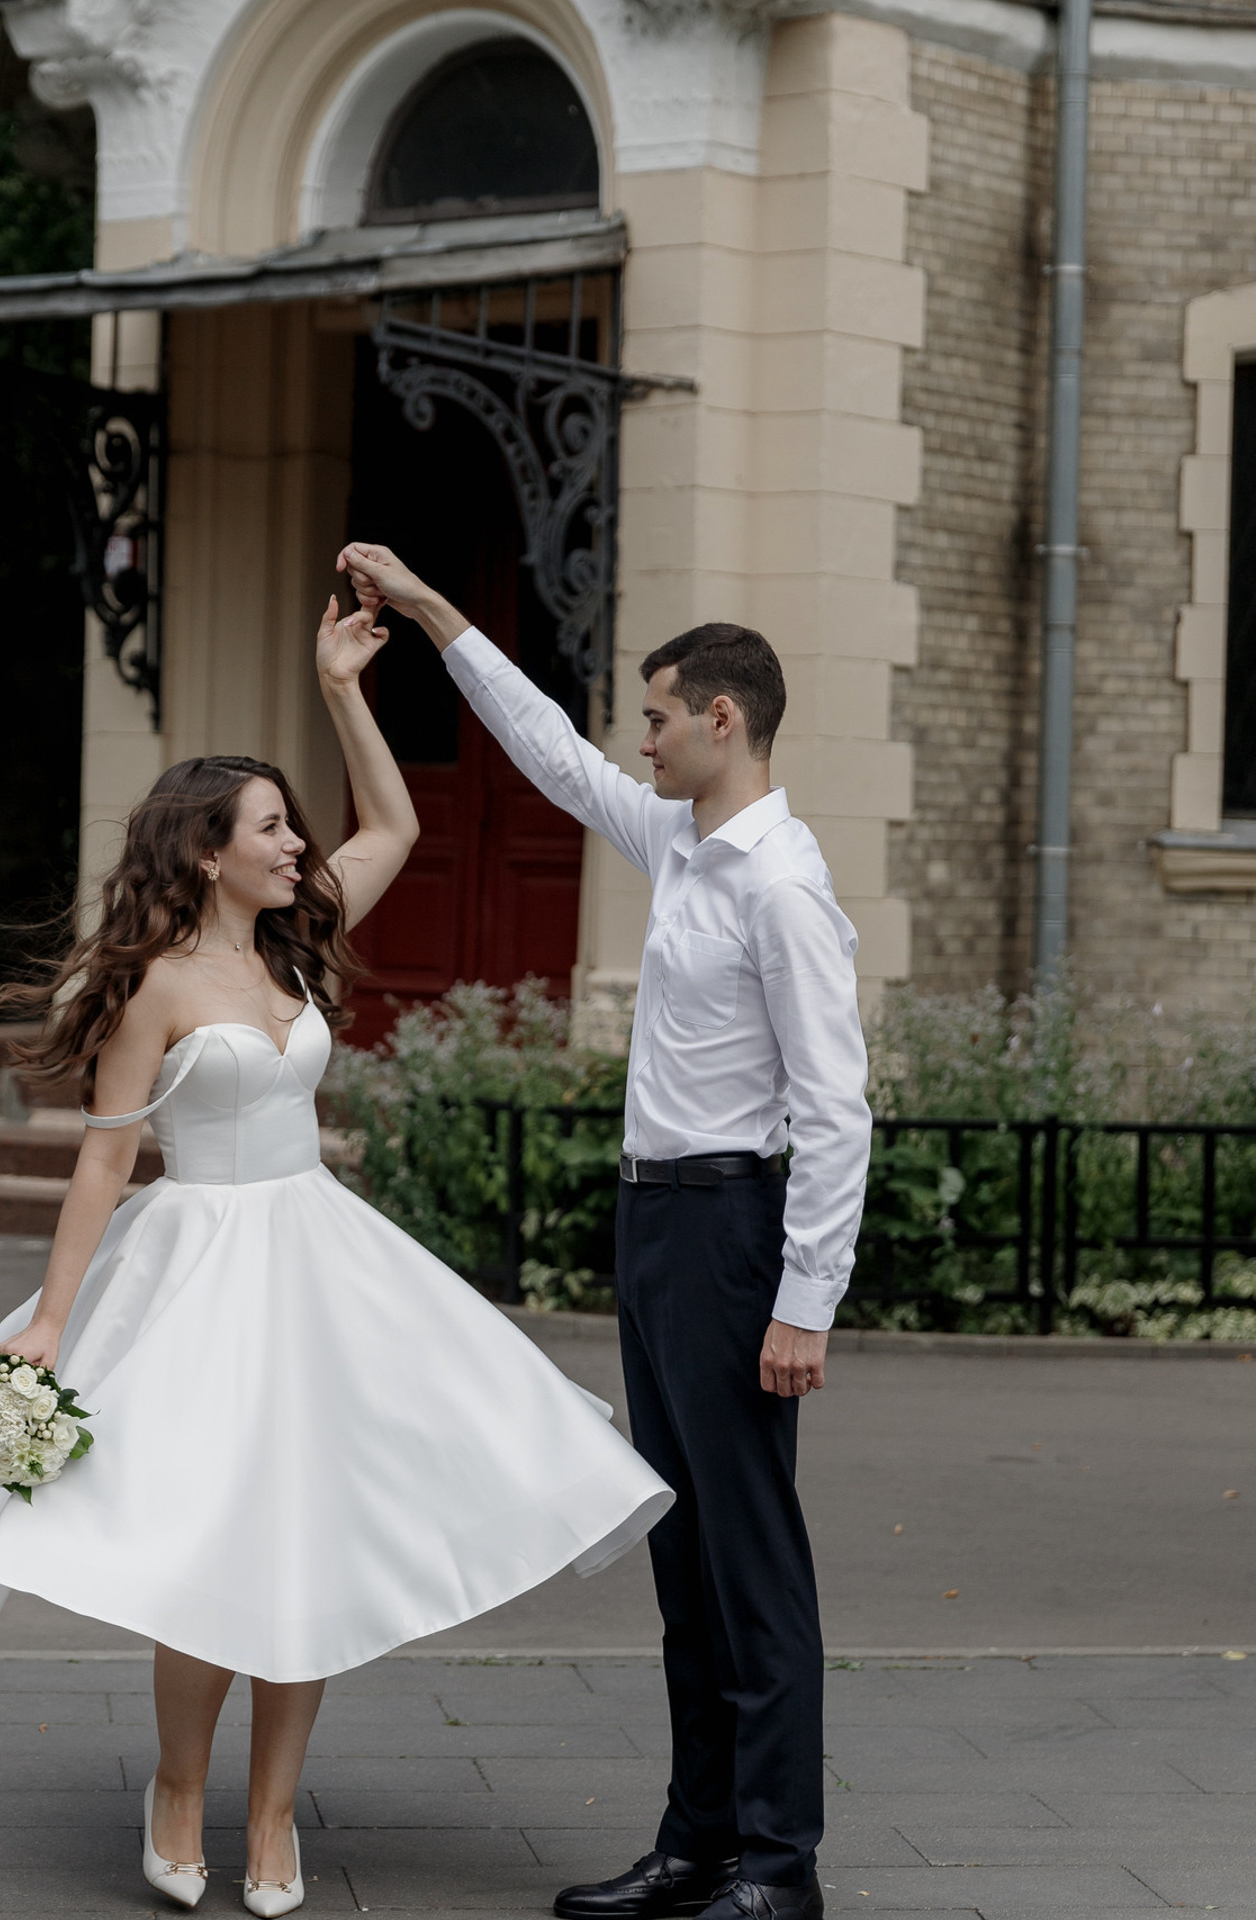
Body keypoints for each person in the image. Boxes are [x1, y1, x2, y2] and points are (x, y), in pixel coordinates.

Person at [0, 594, 673, 1919]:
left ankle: (272, 1816)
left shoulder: (298, 941)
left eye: (289, 824)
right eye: (271, 826)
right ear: (208, 852)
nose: (296, 845)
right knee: (210, 1543)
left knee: (311, 1542)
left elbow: (398, 825)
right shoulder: (156, 982)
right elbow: (106, 1158)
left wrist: (343, 690)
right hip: (201, 1273)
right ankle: (178, 1786)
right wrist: (50, 1324)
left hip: (323, 1267)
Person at [339, 543, 872, 1920]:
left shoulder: (779, 885)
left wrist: (806, 1298)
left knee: (752, 1564)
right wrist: (434, 612)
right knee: (683, 1560)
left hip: (732, 1233)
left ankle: (778, 1865)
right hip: (657, 1228)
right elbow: (551, 756)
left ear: (722, 721)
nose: (636, 739)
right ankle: (697, 1847)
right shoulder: (681, 845)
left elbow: (836, 1107)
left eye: (656, 716)